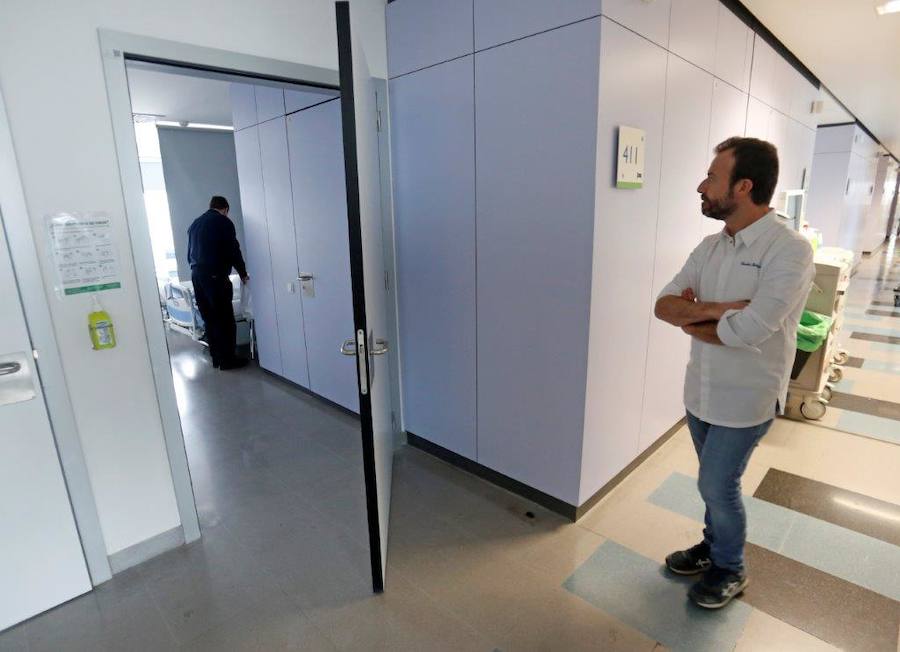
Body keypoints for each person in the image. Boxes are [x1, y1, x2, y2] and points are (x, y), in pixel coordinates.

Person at [654, 137, 814, 609]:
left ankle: (731, 567)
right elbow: (664, 305)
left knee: (716, 485)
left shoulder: (789, 251)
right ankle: (712, 546)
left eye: (712, 176)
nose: (701, 185)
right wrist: (720, 309)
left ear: (743, 186)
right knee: (712, 480)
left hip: (746, 399)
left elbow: (749, 331)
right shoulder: (710, 247)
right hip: (701, 390)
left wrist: (696, 317)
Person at [187, 195, 249, 370]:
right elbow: (233, 250)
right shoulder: (223, 222)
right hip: (215, 276)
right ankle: (228, 360)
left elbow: (189, 253)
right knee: (225, 318)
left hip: (197, 276)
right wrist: (243, 273)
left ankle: (216, 358)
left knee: (209, 318)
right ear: (225, 209)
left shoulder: (195, 224)